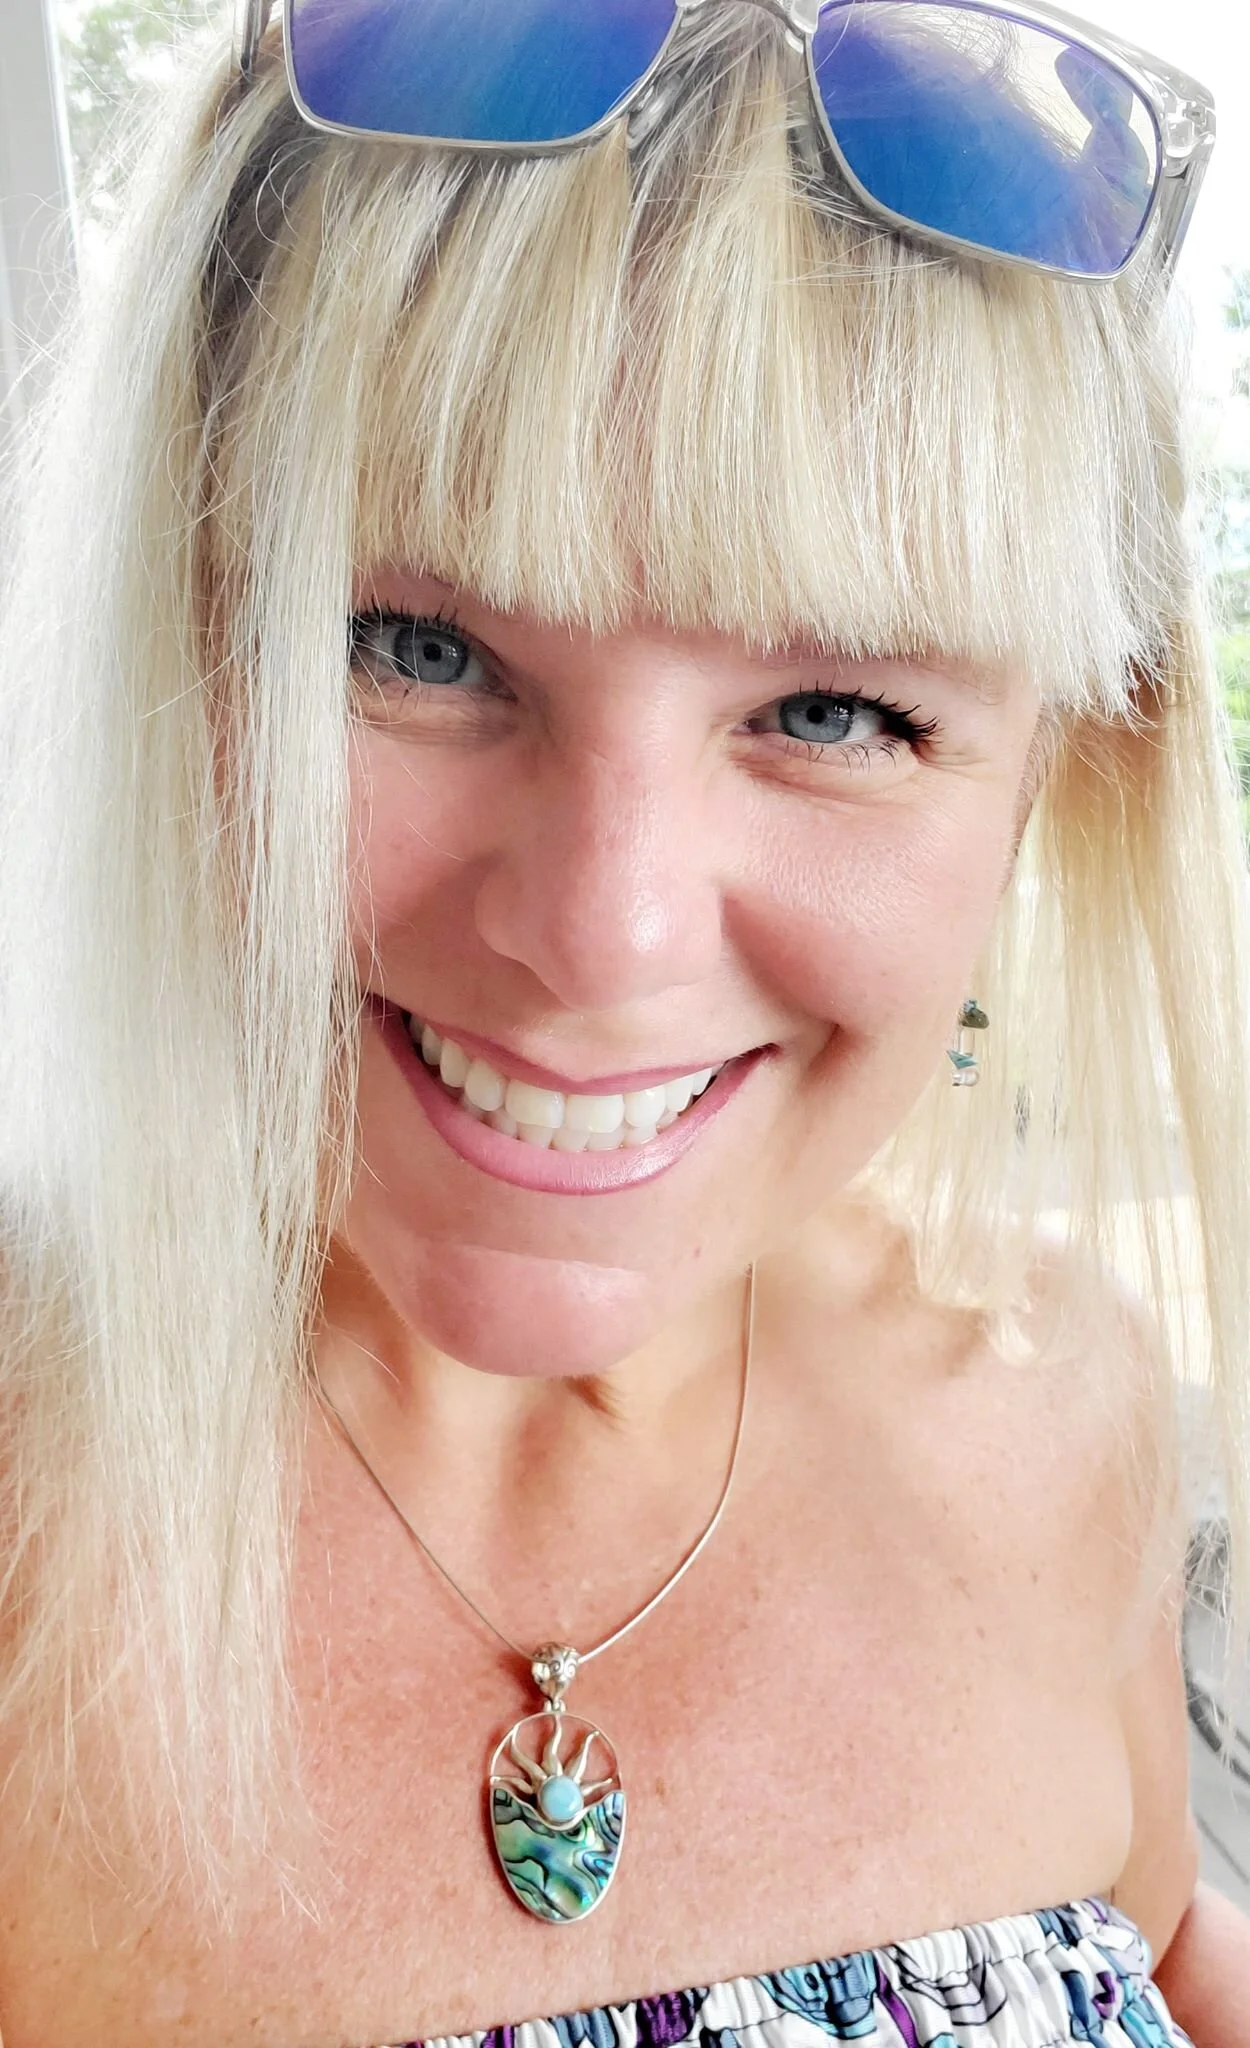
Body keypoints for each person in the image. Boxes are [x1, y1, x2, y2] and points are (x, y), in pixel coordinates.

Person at [1, 0, 1249, 2040]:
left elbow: (1165, 1948)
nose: (602, 933)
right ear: (175, 628)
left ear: (1053, 773)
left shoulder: (1054, 1403)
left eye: (835, 710)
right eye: (412, 646)